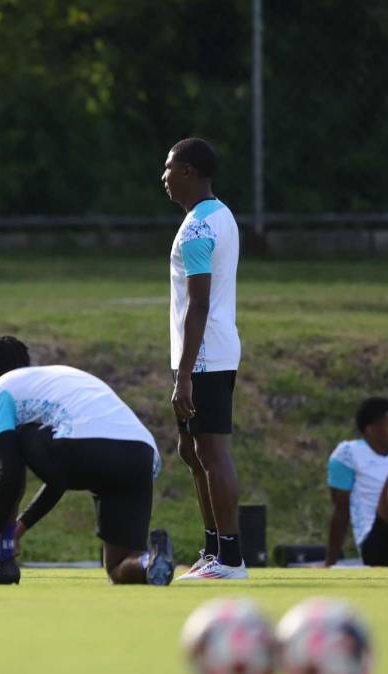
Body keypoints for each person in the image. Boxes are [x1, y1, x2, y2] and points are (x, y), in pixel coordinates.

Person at [0, 336, 175, 586]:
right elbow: (59, 478)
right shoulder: (56, 380)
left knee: (7, 445)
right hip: (142, 456)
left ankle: (3, 559)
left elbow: (7, 468)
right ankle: (149, 561)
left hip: (85, 446)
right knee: (118, 567)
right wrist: (20, 527)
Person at [161, 138, 246, 581]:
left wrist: (185, 376)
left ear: (190, 172)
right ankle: (213, 548)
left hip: (205, 354)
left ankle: (230, 557)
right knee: (191, 450)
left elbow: (198, 304)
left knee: (211, 451)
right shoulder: (220, 215)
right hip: (207, 351)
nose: (164, 178)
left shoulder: (197, 228)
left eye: (170, 169)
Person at [325, 397, 388, 567]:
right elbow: (341, 511)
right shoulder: (349, 454)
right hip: (377, 542)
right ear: (372, 430)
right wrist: (330, 562)